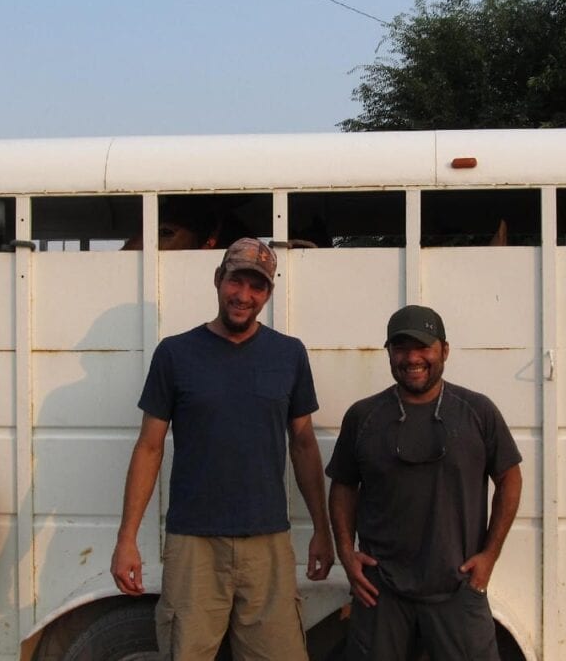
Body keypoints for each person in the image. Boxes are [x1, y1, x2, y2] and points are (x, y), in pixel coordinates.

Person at [110, 237, 335, 660]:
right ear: (218, 280)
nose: (244, 296)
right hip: (194, 543)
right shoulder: (175, 354)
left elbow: (303, 445)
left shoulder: (289, 355)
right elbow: (149, 448)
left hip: (268, 542)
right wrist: (127, 539)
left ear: (268, 293)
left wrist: (322, 531)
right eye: (236, 281)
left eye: (257, 287)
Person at [326, 305, 523, 661]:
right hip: (379, 591)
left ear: (444, 350)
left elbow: (510, 478)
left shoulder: (478, 412)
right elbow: (342, 485)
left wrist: (489, 555)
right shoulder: (363, 416)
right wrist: (345, 551)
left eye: (423, 347)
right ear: (388, 353)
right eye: (401, 348)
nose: (412, 358)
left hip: (458, 588)